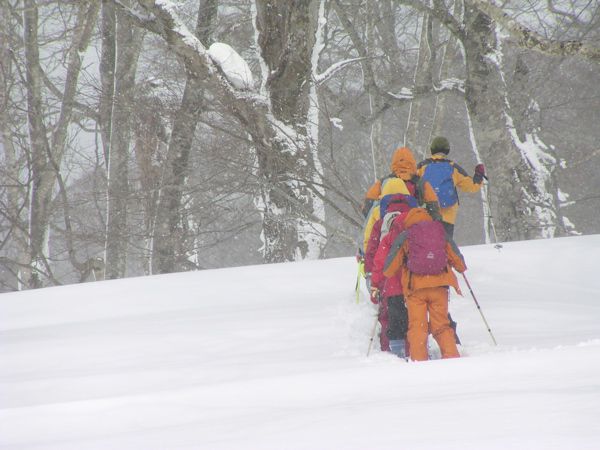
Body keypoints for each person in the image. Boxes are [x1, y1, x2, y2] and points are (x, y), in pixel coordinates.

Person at [383, 207, 467, 361]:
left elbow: (388, 269)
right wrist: (460, 267)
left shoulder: (406, 236)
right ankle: (452, 357)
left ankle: (419, 361)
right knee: (441, 326)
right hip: (439, 287)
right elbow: (459, 262)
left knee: (418, 328)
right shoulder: (441, 233)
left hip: (416, 289)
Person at [365, 194, 416, 353]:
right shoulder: (416, 223)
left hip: (391, 284)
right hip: (414, 283)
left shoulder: (382, 225)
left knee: (390, 319)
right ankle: (417, 351)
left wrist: (375, 284)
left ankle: (393, 353)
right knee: (415, 320)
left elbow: (377, 257)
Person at [417, 136, 486, 237]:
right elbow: (472, 186)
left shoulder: (422, 167)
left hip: (427, 214)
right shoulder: (453, 167)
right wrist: (478, 175)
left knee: (428, 247)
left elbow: (410, 184)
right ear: (447, 150)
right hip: (447, 216)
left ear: (432, 150)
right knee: (445, 247)